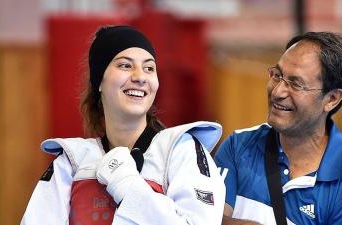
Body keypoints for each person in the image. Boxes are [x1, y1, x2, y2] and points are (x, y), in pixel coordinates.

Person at [21, 25, 225, 225]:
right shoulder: (72, 162)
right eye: (125, 65)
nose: (139, 77)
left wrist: (127, 185)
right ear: (99, 81)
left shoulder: (181, 151)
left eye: (149, 68)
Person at [214, 32, 342, 225]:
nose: (277, 91)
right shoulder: (238, 146)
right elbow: (206, 218)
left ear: (332, 99)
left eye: (295, 84)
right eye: (277, 75)